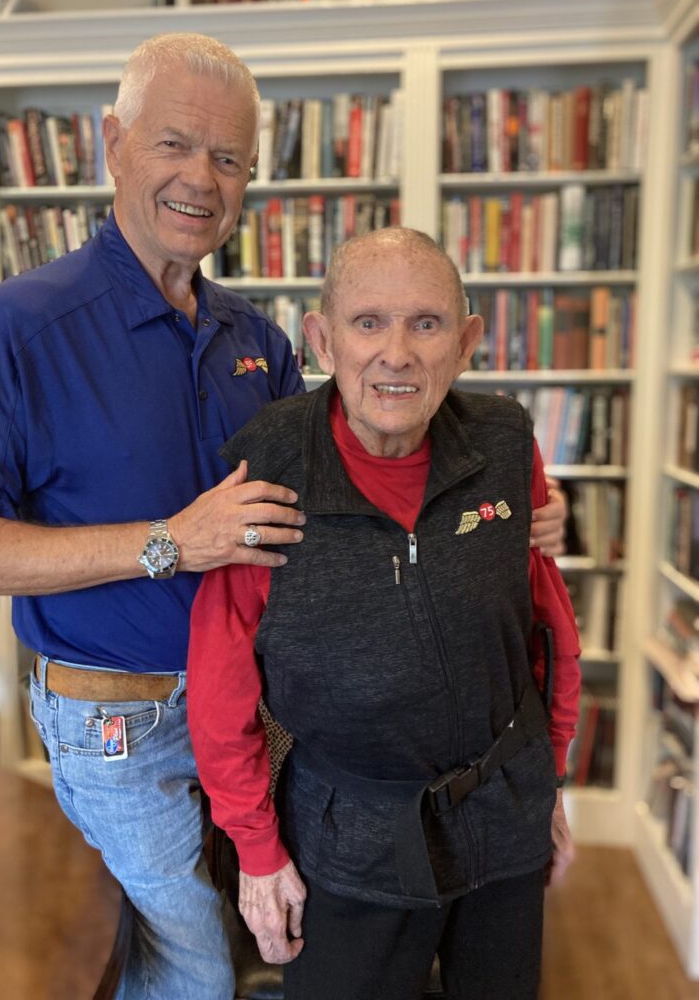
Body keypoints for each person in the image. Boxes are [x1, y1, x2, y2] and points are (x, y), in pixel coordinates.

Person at [0, 35, 566, 997]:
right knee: (193, 971)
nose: (201, 178)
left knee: (273, 940)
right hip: (124, 719)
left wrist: (507, 510)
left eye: (228, 158)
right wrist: (168, 544)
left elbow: (354, 476)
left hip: (263, 716)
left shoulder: (256, 339)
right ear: (112, 143)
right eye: (175, 144)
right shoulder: (21, 326)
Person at [187, 227, 581, 1000]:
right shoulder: (269, 465)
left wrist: (553, 778)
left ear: (465, 344)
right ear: (322, 340)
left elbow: (547, 625)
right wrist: (257, 852)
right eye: (368, 323)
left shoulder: (505, 443)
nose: (396, 353)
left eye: (426, 324)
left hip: (504, 807)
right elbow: (220, 680)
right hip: (348, 836)